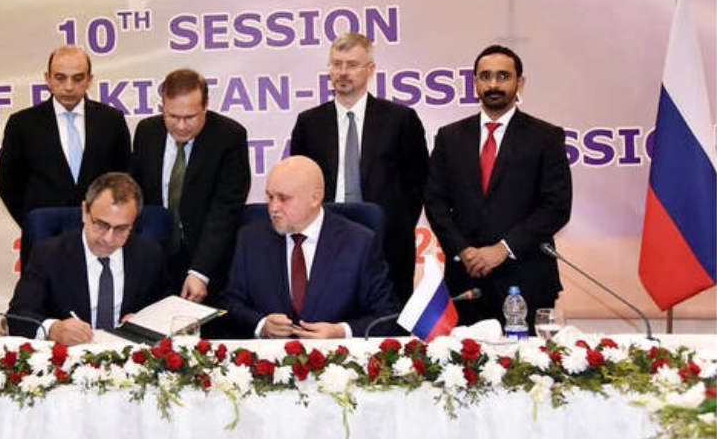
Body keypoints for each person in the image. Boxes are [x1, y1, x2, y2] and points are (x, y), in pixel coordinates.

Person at [424, 45, 572, 326]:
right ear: (474, 83)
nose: (493, 84)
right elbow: (435, 202)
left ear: (520, 82)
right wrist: (464, 250)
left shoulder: (546, 137)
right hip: (466, 279)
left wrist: (503, 249)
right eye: (485, 76)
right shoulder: (450, 137)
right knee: (463, 356)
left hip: (527, 278)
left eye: (503, 76)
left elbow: (556, 207)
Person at [290, 32, 428, 305]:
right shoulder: (309, 123)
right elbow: (299, 182)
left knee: (386, 316)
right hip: (325, 241)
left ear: (370, 69)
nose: (343, 72)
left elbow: (419, 182)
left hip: (387, 243)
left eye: (352, 65)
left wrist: (396, 224)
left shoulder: (400, 119)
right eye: (336, 64)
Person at [224, 156, 398, 338]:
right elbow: (230, 304)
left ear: (315, 198)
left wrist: (341, 332)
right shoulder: (251, 238)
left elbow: (387, 315)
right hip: (268, 353)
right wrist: (261, 325)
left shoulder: (359, 242)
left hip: (337, 353)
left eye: (283, 198)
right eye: (270, 197)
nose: (273, 208)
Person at [0, 45, 131, 272]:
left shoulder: (111, 120)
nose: (69, 86)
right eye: (60, 78)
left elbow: (124, 179)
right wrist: (37, 221)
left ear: (89, 80)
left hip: (102, 243)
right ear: (47, 78)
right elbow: (8, 184)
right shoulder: (22, 124)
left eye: (78, 78)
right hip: (43, 243)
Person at [130, 68, 249, 304]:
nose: (181, 126)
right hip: (155, 259)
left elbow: (225, 210)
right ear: (163, 106)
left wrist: (200, 271)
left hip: (207, 260)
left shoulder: (229, 137)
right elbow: (137, 195)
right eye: (173, 117)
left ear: (205, 106)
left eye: (190, 117)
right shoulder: (146, 132)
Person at [6, 172, 165, 345]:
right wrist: (53, 329)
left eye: (121, 229)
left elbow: (168, 307)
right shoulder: (49, 254)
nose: (108, 238)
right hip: (70, 356)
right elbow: (18, 316)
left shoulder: (149, 254)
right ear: (84, 212)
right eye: (102, 225)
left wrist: (146, 321)